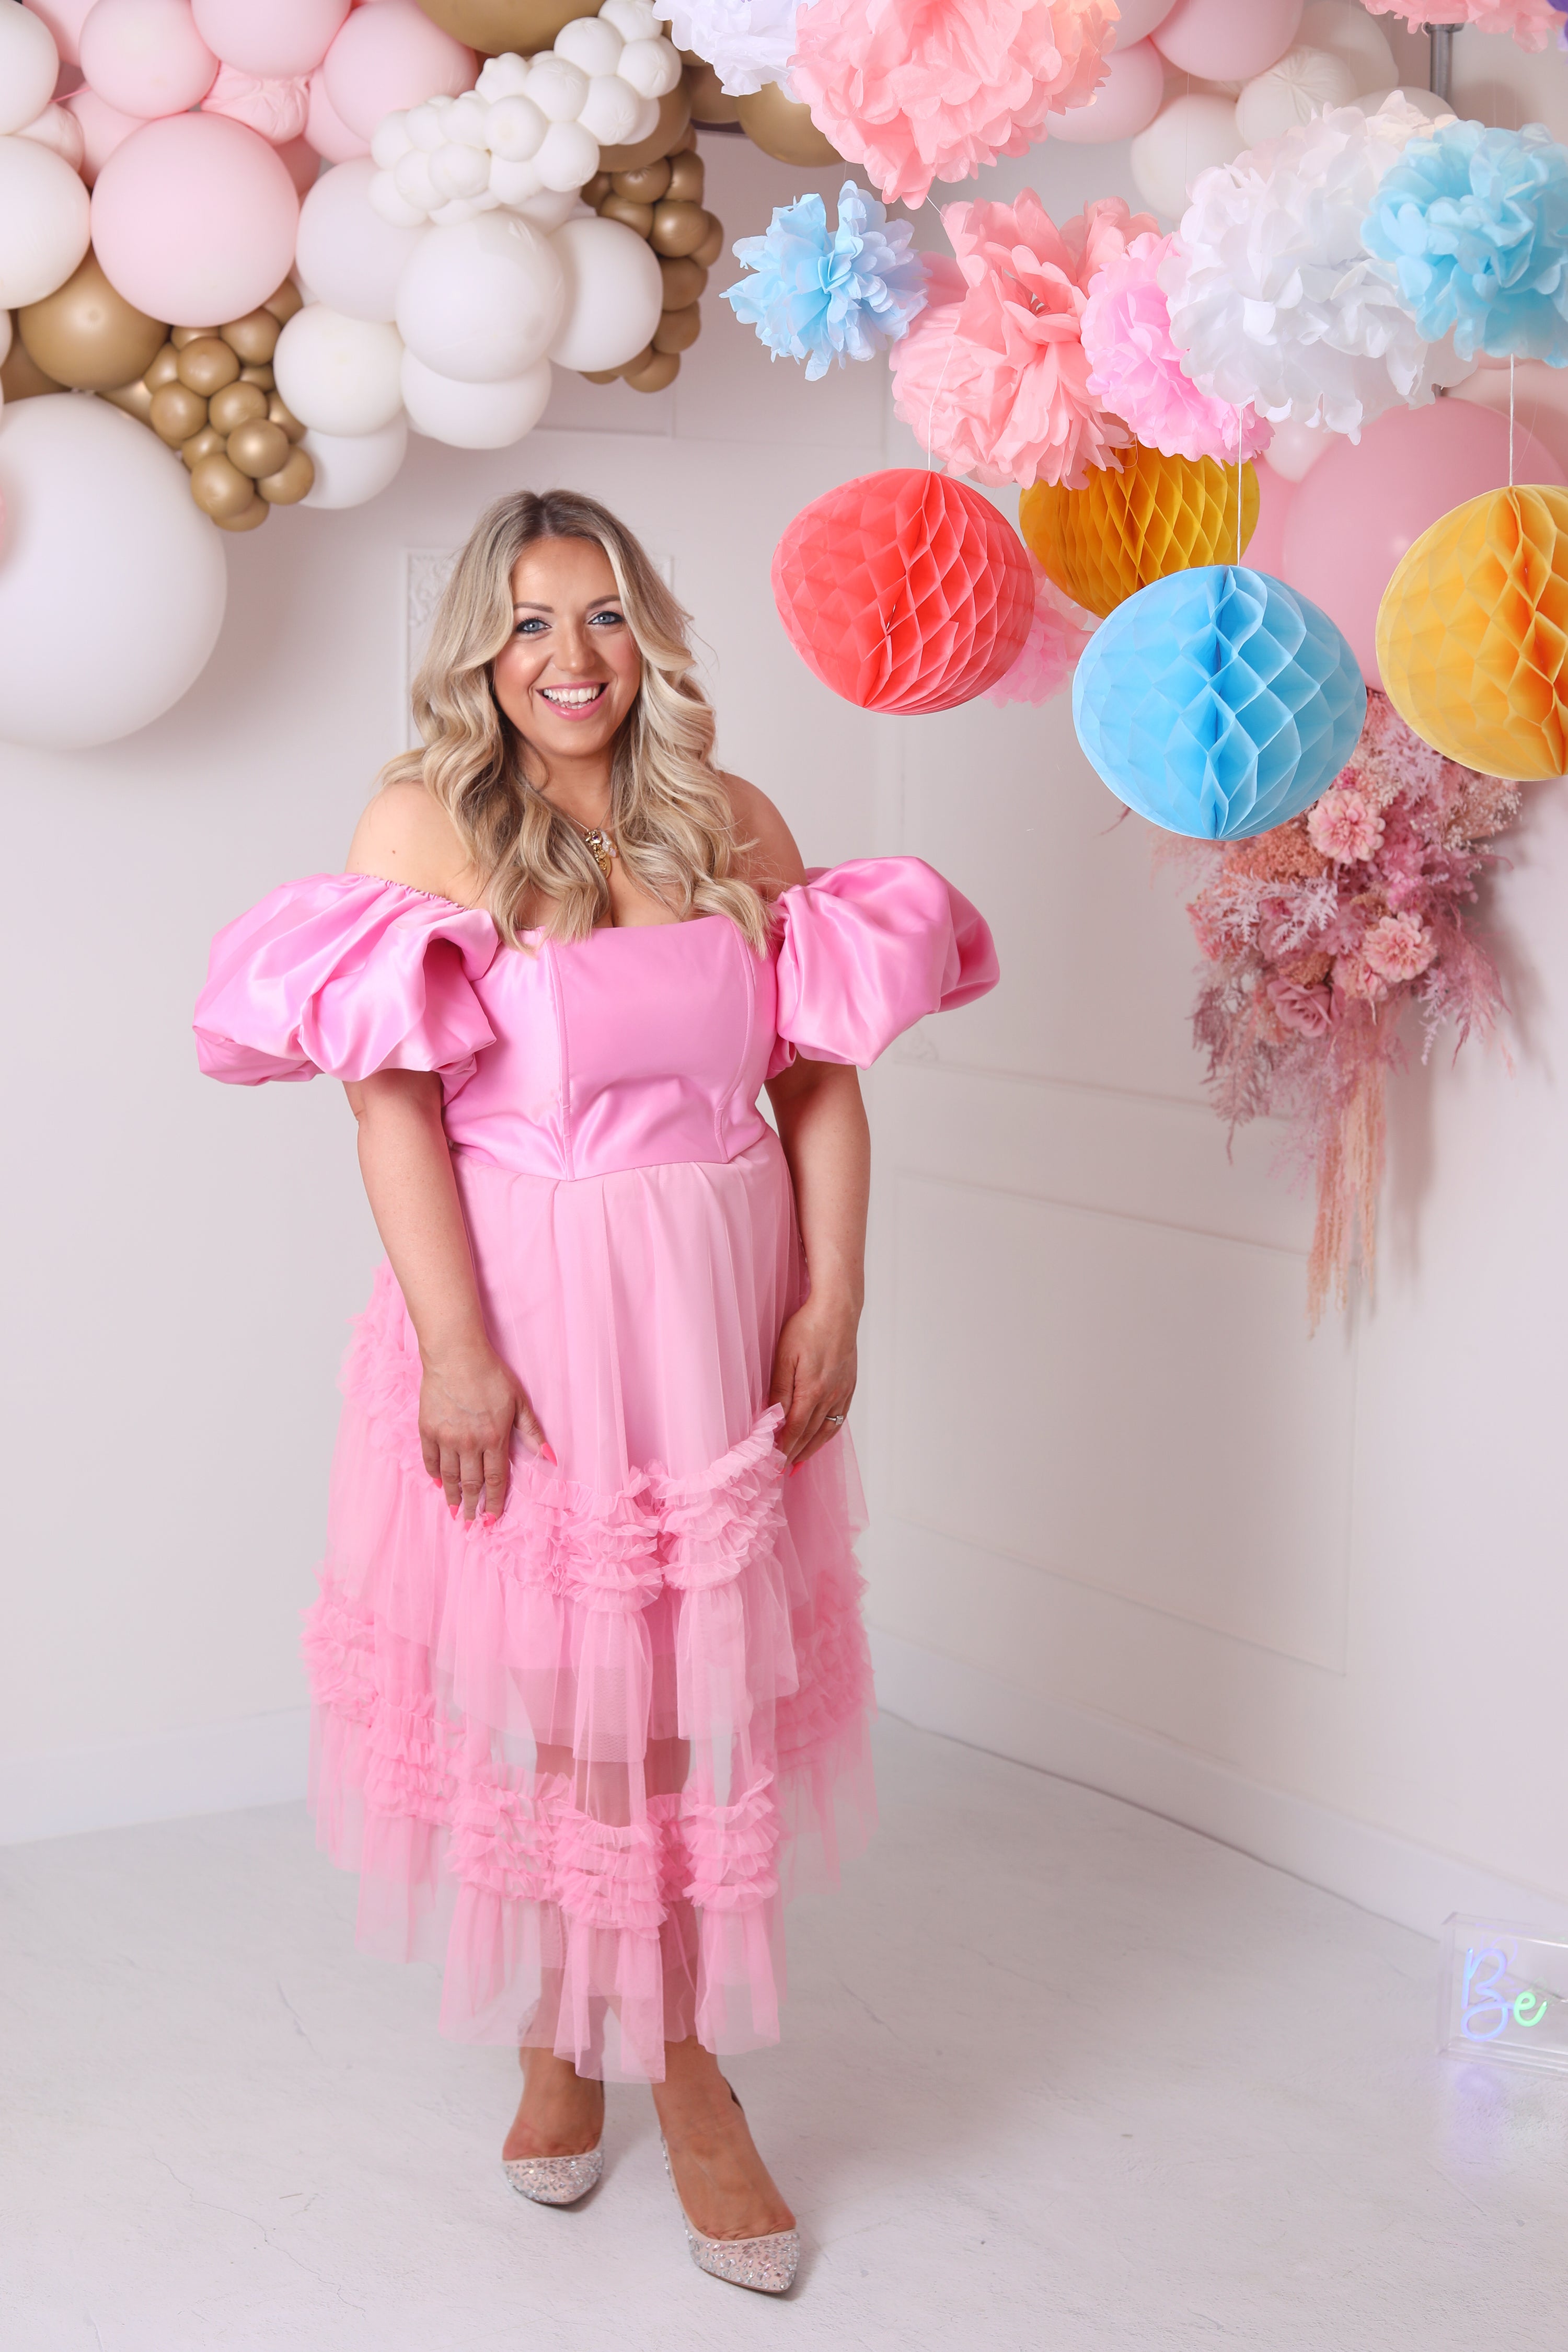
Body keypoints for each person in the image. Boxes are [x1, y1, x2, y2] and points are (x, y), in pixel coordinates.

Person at [193, 488, 997, 2296]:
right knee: (584, 1701)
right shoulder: (429, 824)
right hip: (536, 1311)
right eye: (535, 622)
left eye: (609, 617)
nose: (574, 659)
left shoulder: (734, 821)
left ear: (655, 638)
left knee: (683, 1701)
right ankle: (646, 2048)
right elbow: (385, 1098)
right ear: (481, 644)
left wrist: (838, 1289)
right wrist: (457, 1344)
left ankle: (619, 2026)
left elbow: (819, 1077)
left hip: (720, 1306)